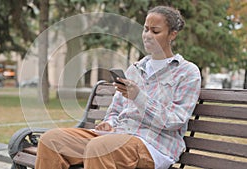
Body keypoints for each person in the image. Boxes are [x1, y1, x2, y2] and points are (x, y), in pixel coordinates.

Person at [35, 5, 201, 169]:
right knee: (51, 140)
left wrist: (138, 97)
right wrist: (109, 123)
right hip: (116, 136)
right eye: (145, 29)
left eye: (155, 31)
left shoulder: (187, 72)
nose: (147, 36)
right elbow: (115, 110)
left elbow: (175, 120)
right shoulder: (135, 69)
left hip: (154, 145)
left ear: (172, 34)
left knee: (100, 148)